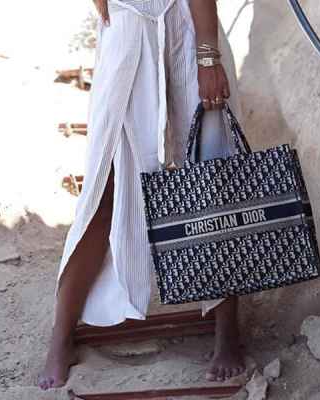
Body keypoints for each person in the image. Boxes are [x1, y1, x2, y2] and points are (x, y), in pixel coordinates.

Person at [38, 0, 245, 390]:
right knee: (104, 186)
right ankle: (61, 334)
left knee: (211, 180)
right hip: (126, 29)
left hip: (188, 27)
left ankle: (227, 331)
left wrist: (207, 56)